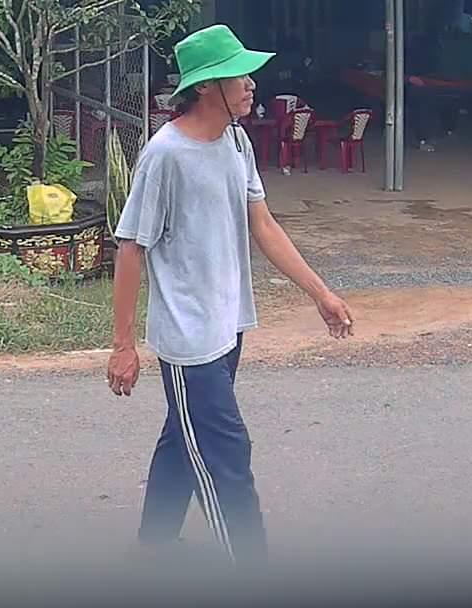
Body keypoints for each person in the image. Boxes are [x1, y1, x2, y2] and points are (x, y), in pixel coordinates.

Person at [107, 25, 355, 565]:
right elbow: (130, 248)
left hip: (227, 326)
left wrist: (320, 293)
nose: (251, 84)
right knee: (226, 454)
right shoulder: (165, 155)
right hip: (188, 338)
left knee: (185, 436)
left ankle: (153, 546)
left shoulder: (236, 142)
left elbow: (263, 225)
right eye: (239, 75)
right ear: (205, 86)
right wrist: (123, 345)